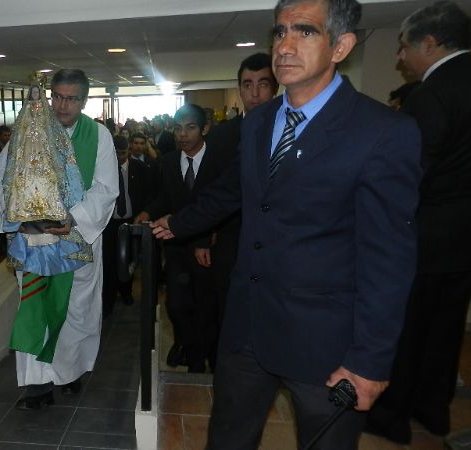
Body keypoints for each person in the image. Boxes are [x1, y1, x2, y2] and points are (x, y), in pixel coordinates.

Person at [150, 0, 422, 447]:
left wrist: (371, 363)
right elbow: (232, 192)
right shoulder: (257, 122)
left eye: (306, 32)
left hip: (326, 345)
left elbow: (389, 259)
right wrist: (178, 223)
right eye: (279, 32)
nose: (286, 47)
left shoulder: (382, 132)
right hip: (245, 331)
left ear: (342, 45)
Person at [367, 2, 471, 444]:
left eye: (404, 47)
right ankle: (433, 411)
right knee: (446, 332)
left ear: (430, 43)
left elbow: (409, 175)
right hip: (464, 240)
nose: (400, 57)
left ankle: (391, 417)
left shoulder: (431, 96)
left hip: (423, 238)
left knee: (405, 330)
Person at [0, 69, 118, 409]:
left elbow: (106, 189)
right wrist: (13, 219)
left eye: (72, 98)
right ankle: (37, 385)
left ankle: (70, 372)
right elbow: (3, 176)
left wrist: (72, 218)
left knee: (76, 309)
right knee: (33, 306)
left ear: (84, 100)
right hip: (33, 241)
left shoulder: (99, 136)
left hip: (76, 238)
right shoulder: (28, 129)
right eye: (58, 97)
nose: (63, 106)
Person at [198, 52, 278, 370]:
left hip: (276, 239)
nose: (255, 93)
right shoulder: (221, 135)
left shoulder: (293, 129)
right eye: (247, 85)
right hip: (229, 237)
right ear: (240, 89)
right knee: (226, 303)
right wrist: (203, 237)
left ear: (276, 87)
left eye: (263, 84)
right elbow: (210, 190)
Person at [135, 104, 220, 373]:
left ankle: (204, 355)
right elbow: (167, 197)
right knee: (176, 305)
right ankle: (187, 343)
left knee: (207, 306)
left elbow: (224, 205)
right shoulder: (169, 161)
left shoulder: (220, 160)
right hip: (176, 246)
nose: (183, 135)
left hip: (210, 247)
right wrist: (148, 211)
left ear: (204, 128)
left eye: (190, 128)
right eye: (178, 128)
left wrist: (206, 239)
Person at [101, 135, 152, 317]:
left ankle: (126, 293)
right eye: (115, 153)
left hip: (132, 222)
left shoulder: (140, 169)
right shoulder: (103, 170)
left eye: (122, 153)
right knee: (108, 262)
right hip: (109, 224)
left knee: (128, 258)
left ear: (129, 151)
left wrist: (144, 213)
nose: (119, 156)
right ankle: (108, 299)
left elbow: (149, 194)